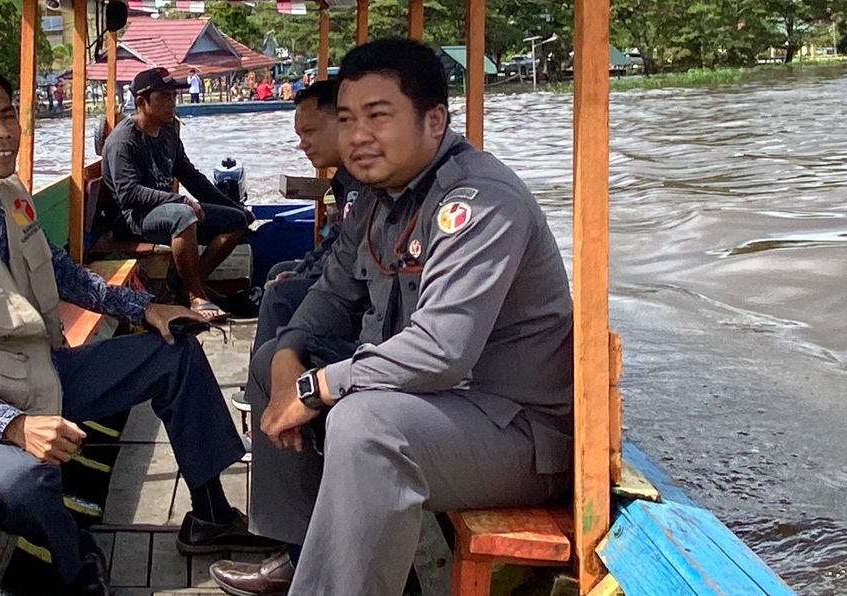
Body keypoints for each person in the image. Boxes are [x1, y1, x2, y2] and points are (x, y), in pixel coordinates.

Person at [0, 62, 272, 596]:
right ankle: (77, 566)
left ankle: (213, 515)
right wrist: (12, 426)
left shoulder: (10, 196)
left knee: (174, 352)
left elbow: (59, 270)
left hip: (39, 373)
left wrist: (142, 308)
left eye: (8, 114)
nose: (2, 131)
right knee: (29, 479)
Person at [211, 38, 575, 596]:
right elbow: (333, 291)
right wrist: (289, 354)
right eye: (348, 118)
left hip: (514, 430)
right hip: (434, 404)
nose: (358, 135)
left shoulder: (478, 200)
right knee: (269, 365)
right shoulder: (382, 198)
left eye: (378, 116)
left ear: (434, 120)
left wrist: (315, 387)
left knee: (365, 426)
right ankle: (303, 551)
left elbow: (441, 351)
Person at [102, 67, 253, 321]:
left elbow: (191, 176)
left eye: (173, 96)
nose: (171, 103)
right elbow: (128, 194)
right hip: (132, 218)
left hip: (165, 210)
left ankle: (191, 286)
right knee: (183, 215)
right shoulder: (123, 141)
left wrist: (235, 207)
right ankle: (196, 296)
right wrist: (180, 200)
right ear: (141, 102)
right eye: (164, 97)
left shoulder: (168, 131)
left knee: (236, 221)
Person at [252, 79, 358, 358]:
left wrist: (305, 273)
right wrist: (301, 271)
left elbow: (347, 254)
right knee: (280, 270)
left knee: (279, 296)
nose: (302, 145)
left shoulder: (363, 183)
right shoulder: (345, 179)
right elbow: (336, 240)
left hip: (358, 289)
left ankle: (268, 380)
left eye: (309, 132)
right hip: (344, 272)